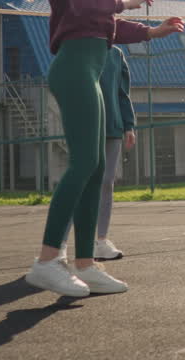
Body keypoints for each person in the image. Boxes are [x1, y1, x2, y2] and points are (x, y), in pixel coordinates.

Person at [23, 0, 184, 297]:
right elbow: (84, 0)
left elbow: (102, 21)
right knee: (83, 165)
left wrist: (150, 32)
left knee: (95, 169)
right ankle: (46, 262)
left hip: (89, 65)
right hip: (76, 66)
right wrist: (123, 2)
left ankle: (85, 265)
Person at [58, 43, 136, 262]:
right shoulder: (79, 48)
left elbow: (123, 93)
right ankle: (59, 245)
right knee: (80, 183)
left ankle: (100, 242)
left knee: (107, 182)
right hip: (86, 125)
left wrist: (128, 125)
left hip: (113, 127)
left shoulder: (117, 54)